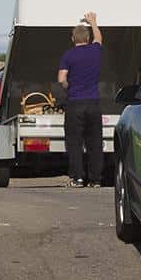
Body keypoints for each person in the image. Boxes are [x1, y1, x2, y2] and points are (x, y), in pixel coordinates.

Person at [57, 12, 105, 187]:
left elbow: (61, 78)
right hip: (93, 103)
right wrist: (93, 22)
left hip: (75, 103)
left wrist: (69, 87)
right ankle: (95, 179)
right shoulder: (95, 51)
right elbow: (99, 38)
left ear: (73, 39)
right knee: (95, 142)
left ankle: (77, 178)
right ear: (87, 37)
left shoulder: (68, 55)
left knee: (75, 142)